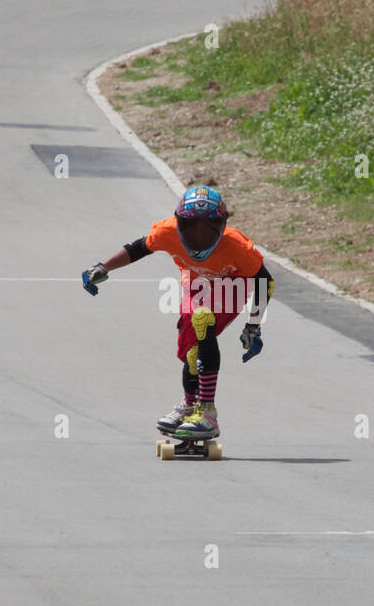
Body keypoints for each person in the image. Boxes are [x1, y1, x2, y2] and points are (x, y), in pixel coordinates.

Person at [82, 183, 273, 440]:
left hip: (233, 285)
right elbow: (137, 248)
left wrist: (254, 325)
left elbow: (264, 280)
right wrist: (102, 267)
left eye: (209, 229)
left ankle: (207, 413)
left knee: (203, 320)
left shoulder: (236, 246)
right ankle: (189, 405)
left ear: (223, 226)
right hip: (196, 286)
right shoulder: (167, 232)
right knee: (191, 354)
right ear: (178, 223)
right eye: (192, 228)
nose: (200, 237)